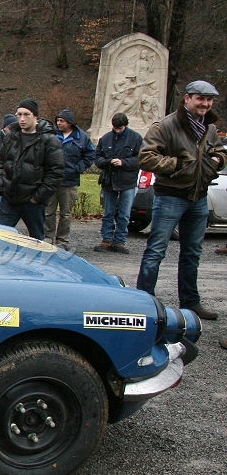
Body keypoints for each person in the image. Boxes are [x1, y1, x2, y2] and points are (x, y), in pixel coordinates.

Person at [135, 80, 225, 321]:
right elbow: (145, 157)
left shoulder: (209, 127)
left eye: (209, 100)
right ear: (187, 98)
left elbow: (219, 151)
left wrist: (217, 161)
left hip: (199, 197)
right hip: (170, 196)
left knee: (192, 253)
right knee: (156, 250)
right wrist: (177, 164)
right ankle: (143, 303)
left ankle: (191, 302)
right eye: (200, 98)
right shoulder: (165, 126)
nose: (205, 104)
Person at [0, 98, 64, 240]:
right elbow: (0, 161)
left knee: (37, 240)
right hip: (10, 197)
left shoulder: (49, 140)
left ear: (35, 116)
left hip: (33, 201)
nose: (22, 119)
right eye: (19, 114)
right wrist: (1, 185)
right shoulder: (11, 136)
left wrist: (37, 197)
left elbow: (55, 172)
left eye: (26, 114)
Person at [44, 108, 96, 250]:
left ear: (70, 123)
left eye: (62, 121)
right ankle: (48, 237)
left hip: (70, 181)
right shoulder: (53, 135)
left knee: (65, 214)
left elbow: (90, 155)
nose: (59, 123)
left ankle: (62, 240)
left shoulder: (82, 137)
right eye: (58, 120)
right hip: (52, 180)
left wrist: (78, 168)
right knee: (48, 211)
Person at [93, 112, 143, 253]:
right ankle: (107, 239)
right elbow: (97, 158)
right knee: (108, 213)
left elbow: (141, 159)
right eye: (115, 128)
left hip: (128, 181)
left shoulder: (136, 138)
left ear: (125, 125)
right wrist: (107, 162)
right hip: (109, 180)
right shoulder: (106, 139)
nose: (117, 131)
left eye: (120, 128)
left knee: (124, 214)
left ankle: (120, 241)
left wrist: (123, 162)